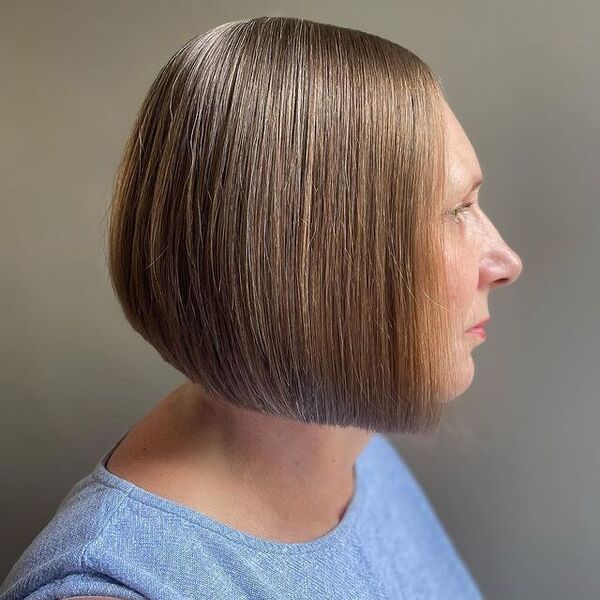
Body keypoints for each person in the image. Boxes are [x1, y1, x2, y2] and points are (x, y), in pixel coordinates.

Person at [1, 15, 522, 600]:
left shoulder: (346, 434)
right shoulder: (115, 590)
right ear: (315, 263)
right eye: (457, 210)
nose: (505, 260)